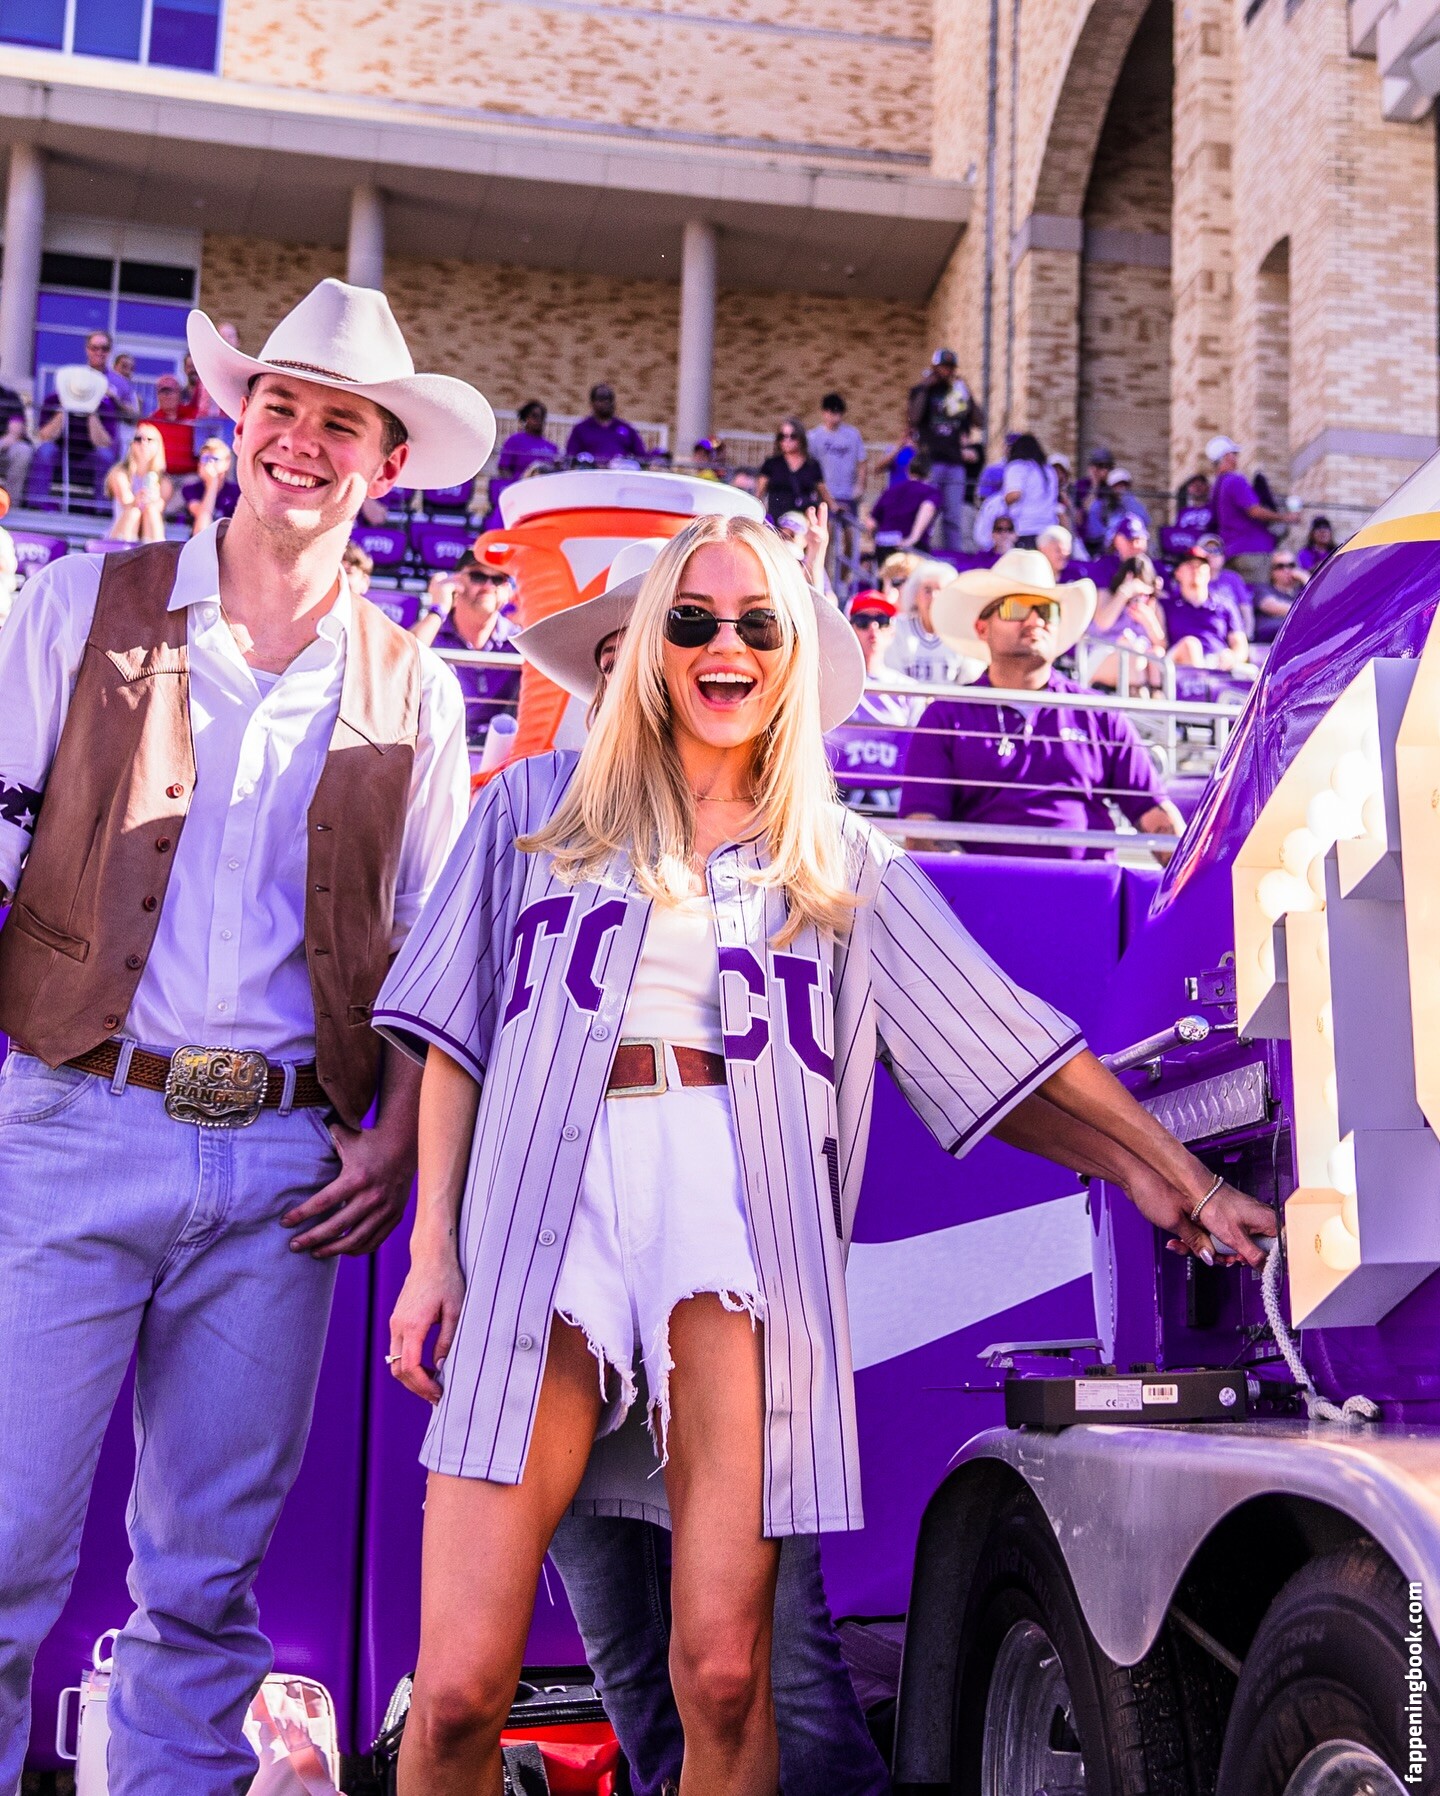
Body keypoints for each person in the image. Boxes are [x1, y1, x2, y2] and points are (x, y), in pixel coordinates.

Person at [376, 510, 1275, 1793]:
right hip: (545, 1213)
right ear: (649, 647)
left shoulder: (838, 856)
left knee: (725, 1673)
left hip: (733, 1218)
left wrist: (1173, 1175)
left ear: (792, 653)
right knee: (462, 1687)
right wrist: (433, 1249)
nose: (725, 644)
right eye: (693, 620)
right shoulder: (532, 804)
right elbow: (456, 1036)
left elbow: (1005, 1046)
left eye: (757, 622)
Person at [0, 277, 491, 1795]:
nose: (302, 440)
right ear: (238, 420)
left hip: (285, 1166)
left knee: (207, 1585)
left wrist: (396, 1132)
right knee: (0, 1547)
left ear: (384, 465)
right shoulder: (77, 605)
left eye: (342, 421)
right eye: (282, 405)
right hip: (73, 1118)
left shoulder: (418, 686)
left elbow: (432, 951)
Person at [509, 547, 895, 1795]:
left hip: (718, 1276)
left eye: (668, 636)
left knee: (764, 1660)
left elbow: (968, 1036)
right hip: (566, 1283)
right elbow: (457, 1047)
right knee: (627, 1651)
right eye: (632, 645)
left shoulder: (796, 847)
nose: (655, 665)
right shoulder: (535, 826)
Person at [898, 547, 1184, 859]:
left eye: (1047, 611)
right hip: (982, 888)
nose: (1035, 619)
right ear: (982, 628)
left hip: (1089, 886)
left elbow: (1155, 815)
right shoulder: (945, 716)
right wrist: (975, 879)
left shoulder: (1100, 715)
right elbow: (922, 829)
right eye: (1016, 608)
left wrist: (1194, 877)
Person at [825, 589, 925, 813]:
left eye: (882, 621)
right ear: (850, 629)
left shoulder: (909, 690)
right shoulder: (830, 682)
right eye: (863, 621)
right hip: (839, 794)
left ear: (892, 631)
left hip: (893, 794)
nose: (873, 629)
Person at [411, 546, 521, 743]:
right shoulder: (432, 630)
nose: (488, 586)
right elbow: (402, 662)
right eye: (478, 576)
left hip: (498, 749)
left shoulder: (518, 639)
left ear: (507, 590)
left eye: (498, 579)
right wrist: (438, 608)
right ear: (456, 581)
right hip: (435, 744)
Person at [27, 330, 123, 506]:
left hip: (89, 456)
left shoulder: (105, 406)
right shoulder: (53, 400)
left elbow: (104, 443)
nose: (99, 352)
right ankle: (37, 504)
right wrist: (64, 407)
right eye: (94, 348)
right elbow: (44, 436)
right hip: (60, 452)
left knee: (105, 456)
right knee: (45, 451)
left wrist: (91, 411)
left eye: (104, 348)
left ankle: (102, 510)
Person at [907, 349, 984, 551]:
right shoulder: (921, 391)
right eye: (943, 367)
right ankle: (920, 551)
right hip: (930, 462)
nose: (947, 371)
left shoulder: (957, 393)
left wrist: (967, 393)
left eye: (950, 367)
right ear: (934, 368)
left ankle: (953, 556)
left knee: (953, 517)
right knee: (926, 512)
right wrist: (925, 388)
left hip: (954, 462)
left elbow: (980, 421)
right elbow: (914, 418)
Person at [1207, 434, 1298, 590]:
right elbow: (1254, 511)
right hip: (1253, 550)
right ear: (1227, 456)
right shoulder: (1235, 480)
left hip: (1231, 552)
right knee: (1259, 594)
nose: (1236, 458)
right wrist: (1285, 517)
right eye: (1234, 454)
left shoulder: (1216, 487)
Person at [1163, 541, 1257, 679]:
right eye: (1190, 565)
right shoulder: (1167, 606)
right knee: (1191, 646)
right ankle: (1202, 683)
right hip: (1180, 669)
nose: (1196, 570)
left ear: (1208, 573)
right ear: (1178, 573)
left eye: (1201, 566)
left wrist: (1232, 657)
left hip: (1217, 663)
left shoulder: (1225, 605)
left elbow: (1240, 645)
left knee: (1252, 673)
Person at [886, 558, 979, 685]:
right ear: (914, 596)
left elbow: (969, 676)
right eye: (927, 590)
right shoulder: (898, 628)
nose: (933, 597)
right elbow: (892, 674)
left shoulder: (961, 630)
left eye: (939, 590)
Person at [1085, 554, 1168, 690]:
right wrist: (1124, 594)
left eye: (1142, 593)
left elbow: (1162, 645)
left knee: (1156, 654)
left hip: (1141, 663)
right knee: (1131, 653)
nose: (1137, 597)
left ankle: (1155, 697)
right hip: (1103, 657)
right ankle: (1139, 697)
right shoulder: (1106, 595)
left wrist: (1149, 621)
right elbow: (1103, 624)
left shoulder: (1153, 606)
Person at [807, 394, 866, 585]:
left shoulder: (852, 435)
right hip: (826, 496)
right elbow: (811, 468)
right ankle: (824, 582)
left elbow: (862, 462)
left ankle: (842, 581)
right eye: (831, 413)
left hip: (847, 496)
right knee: (826, 538)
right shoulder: (814, 437)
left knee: (851, 540)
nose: (835, 417)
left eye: (838, 413)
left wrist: (859, 486)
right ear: (824, 413)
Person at [866, 448, 940, 559]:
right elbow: (928, 508)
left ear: (908, 471)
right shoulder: (930, 492)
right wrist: (913, 538)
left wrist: (877, 539)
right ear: (929, 473)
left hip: (884, 543)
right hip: (909, 547)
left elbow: (871, 522)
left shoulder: (891, 490)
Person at [104, 420, 170, 542]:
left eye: (149, 440)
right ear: (132, 444)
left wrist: (153, 499)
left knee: (151, 511)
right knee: (134, 512)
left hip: (149, 529)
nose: (143, 443)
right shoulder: (120, 473)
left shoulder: (164, 481)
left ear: (158, 445)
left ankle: (153, 551)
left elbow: (160, 507)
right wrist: (139, 499)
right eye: (138, 439)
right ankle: (127, 550)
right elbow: (126, 502)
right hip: (122, 528)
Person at [756, 419, 829, 523]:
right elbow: (759, 493)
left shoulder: (812, 465)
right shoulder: (771, 463)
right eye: (782, 436)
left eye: (792, 436)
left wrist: (835, 506)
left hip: (803, 521)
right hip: (776, 520)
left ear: (801, 438)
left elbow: (823, 491)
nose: (787, 441)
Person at [565, 383, 649, 465]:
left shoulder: (626, 429)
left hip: (619, 472)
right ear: (592, 403)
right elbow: (571, 459)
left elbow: (642, 458)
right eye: (601, 399)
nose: (607, 402)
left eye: (610, 399)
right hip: (590, 472)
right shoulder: (581, 429)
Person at [1000, 432, 1060, 547]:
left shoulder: (1017, 466)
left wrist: (1005, 499)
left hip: (1025, 528)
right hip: (1048, 528)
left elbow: (1015, 494)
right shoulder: (1049, 470)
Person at [144, 371, 200, 481]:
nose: (167, 396)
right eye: (163, 392)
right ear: (158, 396)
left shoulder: (194, 417)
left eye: (171, 391)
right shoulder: (149, 423)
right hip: (161, 476)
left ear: (179, 394)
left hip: (190, 476)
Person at [183, 435, 243, 534]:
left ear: (227, 463)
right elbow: (202, 522)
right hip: (200, 538)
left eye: (215, 459)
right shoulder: (191, 489)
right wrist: (212, 483)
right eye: (205, 459)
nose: (209, 464)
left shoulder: (237, 491)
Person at [1251, 549, 1307, 644]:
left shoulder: (1301, 592)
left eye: (1291, 565)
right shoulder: (1263, 589)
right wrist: (1306, 611)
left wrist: (1305, 578)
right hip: (1270, 641)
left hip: (1298, 641)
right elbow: (1271, 606)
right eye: (1280, 566)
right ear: (1271, 572)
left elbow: (1318, 605)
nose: (1286, 570)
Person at [498, 400, 561, 484]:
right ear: (525, 418)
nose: (539, 420)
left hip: (545, 487)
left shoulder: (551, 447)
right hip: (520, 485)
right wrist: (513, 485)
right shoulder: (514, 441)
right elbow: (503, 468)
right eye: (535, 416)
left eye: (542, 417)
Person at [0, 377, 32, 502]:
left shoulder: (10, 397)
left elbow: (15, 433)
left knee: (23, 451)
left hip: (5, 447)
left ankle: (11, 504)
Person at [1172, 471, 1213, 549]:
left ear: (1208, 487)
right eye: (1193, 484)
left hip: (1207, 547)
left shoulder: (1213, 509)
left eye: (1201, 484)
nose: (1197, 487)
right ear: (1189, 489)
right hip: (1186, 548)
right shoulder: (1183, 512)